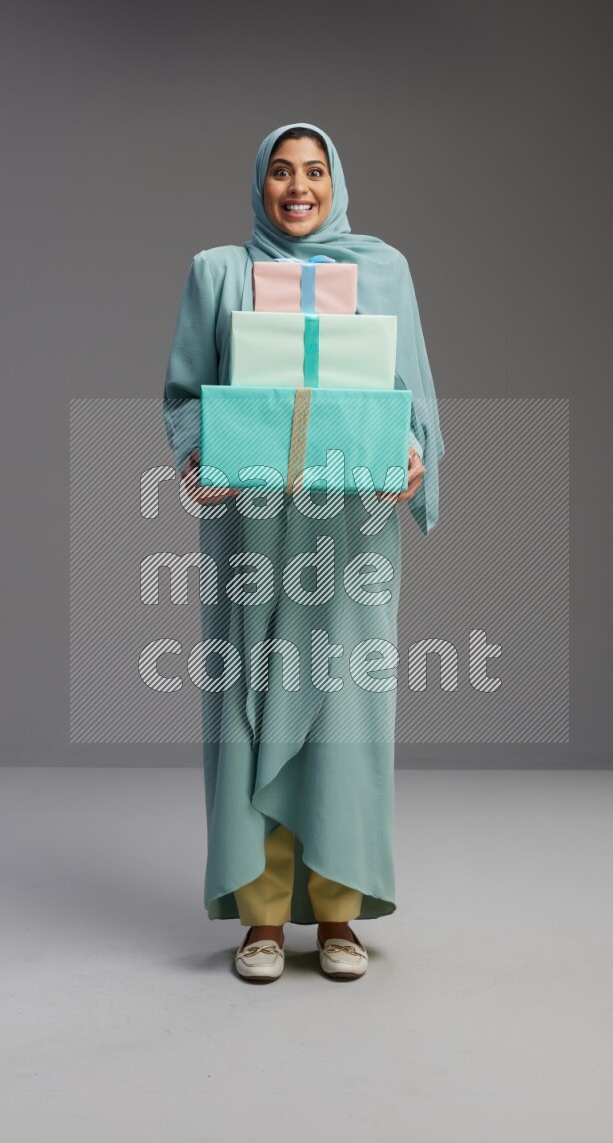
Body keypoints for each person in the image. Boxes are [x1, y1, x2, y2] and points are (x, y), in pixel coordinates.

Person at [163, 122, 444, 982]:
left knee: (345, 711)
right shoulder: (219, 272)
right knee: (249, 707)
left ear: (335, 181)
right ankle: (260, 921)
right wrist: (195, 456)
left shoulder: (383, 271)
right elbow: (185, 392)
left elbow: (413, 395)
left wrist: (415, 456)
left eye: (314, 171)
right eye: (282, 171)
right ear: (260, 183)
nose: (298, 187)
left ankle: (337, 917)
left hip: (350, 534)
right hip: (251, 530)